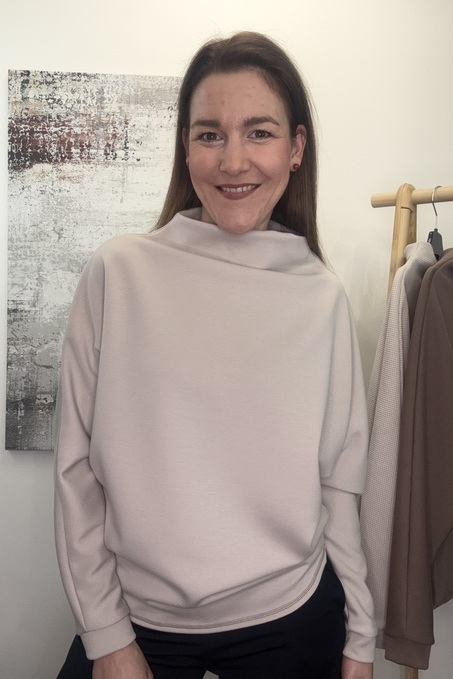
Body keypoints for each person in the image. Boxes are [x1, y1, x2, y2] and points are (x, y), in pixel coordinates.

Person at [54, 31, 377, 679]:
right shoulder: (117, 273)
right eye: (210, 134)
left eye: (259, 132)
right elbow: (76, 471)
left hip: (293, 613)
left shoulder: (321, 295)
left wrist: (362, 637)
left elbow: (337, 483)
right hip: (139, 620)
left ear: (296, 149)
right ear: (185, 147)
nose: (233, 160)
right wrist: (107, 637)